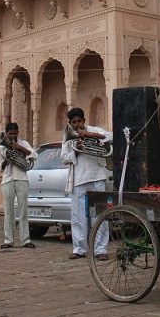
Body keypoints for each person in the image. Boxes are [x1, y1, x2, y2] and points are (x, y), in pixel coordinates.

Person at [61, 107, 111, 261]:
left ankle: (100, 249)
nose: (77, 125)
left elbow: (110, 137)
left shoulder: (94, 130)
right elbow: (64, 158)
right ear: (70, 123)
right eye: (74, 122)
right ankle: (79, 249)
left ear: (84, 120)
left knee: (100, 215)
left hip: (97, 177)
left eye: (79, 121)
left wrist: (90, 135)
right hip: (78, 179)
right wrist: (76, 151)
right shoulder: (68, 137)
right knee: (78, 217)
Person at [0, 123, 38, 250]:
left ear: (18, 132)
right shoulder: (2, 148)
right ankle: (8, 240)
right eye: (10, 134)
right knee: (8, 212)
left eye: (15, 133)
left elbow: (34, 155)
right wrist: (6, 160)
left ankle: (26, 240)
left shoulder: (23, 143)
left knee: (24, 211)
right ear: (6, 134)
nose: (13, 136)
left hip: (22, 178)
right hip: (7, 179)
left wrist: (20, 148)